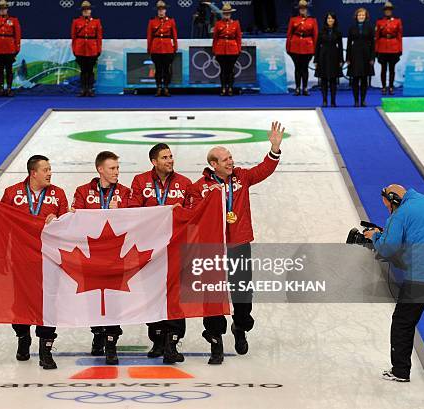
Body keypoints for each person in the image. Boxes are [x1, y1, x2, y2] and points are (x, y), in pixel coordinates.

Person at [186, 122, 284, 364]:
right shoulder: (200, 188)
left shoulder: (242, 177)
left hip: (239, 245)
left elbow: (264, 170)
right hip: (212, 249)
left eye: (231, 157)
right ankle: (216, 339)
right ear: (213, 165)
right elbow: (190, 216)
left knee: (242, 294)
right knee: (213, 296)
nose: (230, 162)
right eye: (225, 159)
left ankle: (240, 327)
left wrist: (274, 147)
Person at [0, 155, 69, 370]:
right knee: (19, 303)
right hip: (20, 261)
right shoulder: (12, 193)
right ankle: (23, 336)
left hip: (49, 260)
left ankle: (46, 348)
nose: (50, 173)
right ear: (33, 173)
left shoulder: (58, 194)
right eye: (46, 169)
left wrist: (59, 220)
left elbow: (68, 225)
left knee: (49, 304)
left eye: (50, 169)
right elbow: (1, 223)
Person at [129, 143, 192, 364]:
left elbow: (193, 214)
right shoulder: (140, 181)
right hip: (149, 250)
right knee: (151, 295)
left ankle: (172, 343)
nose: (170, 160)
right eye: (165, 157)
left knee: (176, 297)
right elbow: (134, 210)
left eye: (171, 156)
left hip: (176, 249)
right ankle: (157, 339)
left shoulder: (185, 183)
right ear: (154, 162)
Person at [363, 185, 424, 382]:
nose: (388, 210)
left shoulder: (399, 215)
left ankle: (400, 371)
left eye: (388, 206)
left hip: (422, 277)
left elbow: (387, 248)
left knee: (403, 322)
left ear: (393, 200)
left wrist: (374, 236)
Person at [71, 151, 131, 365]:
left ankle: (112, 342)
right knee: (93, 299)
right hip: (92, 257)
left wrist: (120, 211)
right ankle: (97, 334)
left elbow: (134, 222)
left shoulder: (125, 193)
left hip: (116, 258)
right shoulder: (82, 191)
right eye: (112, 168)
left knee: (114, 300)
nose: (117, 172)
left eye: (117, 168)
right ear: (100, 170)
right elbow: (76, 221)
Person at [0, 0, 21, 97]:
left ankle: (9, 89)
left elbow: (17, 34)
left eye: (4, 9)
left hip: (9, 48)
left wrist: (17, 47)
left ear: (7, 9)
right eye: (1, 9)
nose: (3, 10)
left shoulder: (14, 20)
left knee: (9, 70)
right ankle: (1, 88)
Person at [71, 1, 103, 97]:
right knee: (83, 70)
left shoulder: (96, 21)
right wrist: (74, 49)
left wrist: (98, 50)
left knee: (90, 70)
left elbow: (99, 37)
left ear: (90, 10)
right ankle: (83, 89)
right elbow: (73, 37)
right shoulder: (76, 21)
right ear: (81, 11)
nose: (86, 11)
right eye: (84, 10)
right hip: (80, 49)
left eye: (87, 9)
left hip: (92, 49)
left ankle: (90, 89)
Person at [286, 1, 318, 96]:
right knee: (297, 67)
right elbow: (289, 34)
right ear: (299, 9)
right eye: (301, 8)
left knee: (304, 68)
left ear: (307, 9)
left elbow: (315, 35)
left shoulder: (312, 20)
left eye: (304, 8)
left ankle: (305, 88)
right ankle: (297, 88)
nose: (302, 10)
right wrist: (288, 47)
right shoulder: (293, 20)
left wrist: (315, 50)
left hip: (308, 47)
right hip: (295, 46)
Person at [147, 1, 178, 97]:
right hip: (156, 48)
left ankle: (166, 87)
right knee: (158, 69)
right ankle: (159, 88)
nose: (161, 12)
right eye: (159, 10)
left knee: (167, 70)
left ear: (165, 10)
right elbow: (149, 37)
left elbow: (174, 35)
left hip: (168, 48)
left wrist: (175, 47)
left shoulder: (171, 21)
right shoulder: (152, 21)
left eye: (162, 9)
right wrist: (149, 49)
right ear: (157, 11)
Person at [314, 12, 343, 107]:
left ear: (334, 20)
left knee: (333, 80)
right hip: (323, 57)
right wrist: (316, 60)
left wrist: (341, 60)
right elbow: (317, 46)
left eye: (332, 18)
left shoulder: (338, 32)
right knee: (324, 80)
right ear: (326, 20)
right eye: (328, 18)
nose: (330, 20)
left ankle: (333, 101)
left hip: (334, 57)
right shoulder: (321, 32)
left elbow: (340, 47)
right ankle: (325, 100)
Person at [347, 8, 375, 107]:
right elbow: (349, 44)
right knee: (355, 79)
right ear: (356, 16)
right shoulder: (352, 28)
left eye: (363, 15)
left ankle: (363, 100)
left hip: (366, 55)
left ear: (366, 16)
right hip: (354, 55)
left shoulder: (370, 28)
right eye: (359, 15)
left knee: (364, 79)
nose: (361, 17)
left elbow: (373, 44)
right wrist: (348, 58)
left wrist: (372, 58)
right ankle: (356, 101)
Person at [212, 3, 241, 96]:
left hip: (233, 49)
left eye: (228, 13)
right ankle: (223, 87)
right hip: (221, 49)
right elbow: (215, 38)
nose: (227, 15)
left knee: (231, 70)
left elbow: (238, 38)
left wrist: (238, 49)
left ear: (230, 14)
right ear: (223, 14)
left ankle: (230, 87)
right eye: (225, 13)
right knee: (223, 70)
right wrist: (214, 50)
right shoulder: (218, 24)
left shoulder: (236, 23)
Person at [375, 1, 402, 95]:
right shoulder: (379, 21)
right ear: (384, 11)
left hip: (394, 48)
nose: (388, 11)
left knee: (392, 69)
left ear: (392, 11)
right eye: (386, 10)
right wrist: (376, 50)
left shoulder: (397, 21)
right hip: (382, 48)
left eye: (389, 10)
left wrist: (400, 49)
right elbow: (377, 37)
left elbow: (399, 36)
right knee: (383, 68)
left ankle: (390, 87)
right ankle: (383, 87)